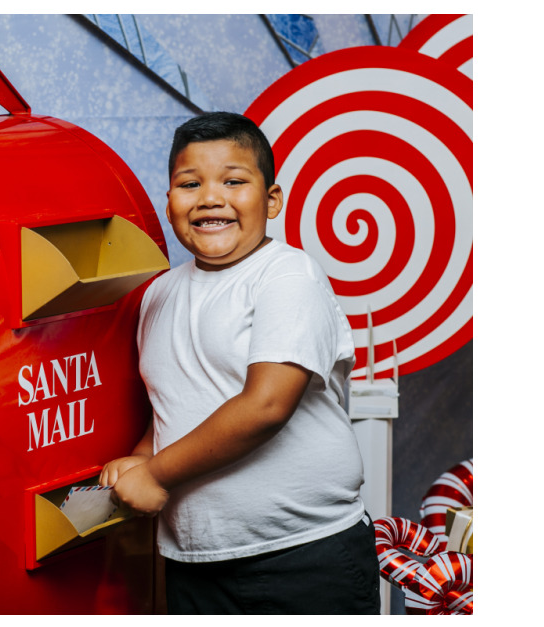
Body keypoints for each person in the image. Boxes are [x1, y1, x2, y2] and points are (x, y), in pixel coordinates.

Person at [99, 112, 379, 614]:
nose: (210, 197)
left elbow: (267, 405)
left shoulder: (287, 275)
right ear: (169, 202)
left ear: (271, 200)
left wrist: (157, 475)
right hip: (196, 559)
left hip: (304, 555)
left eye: (233, 180)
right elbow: (176, 399)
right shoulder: (158, 294)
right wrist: (142, 456)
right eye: (190, 184)